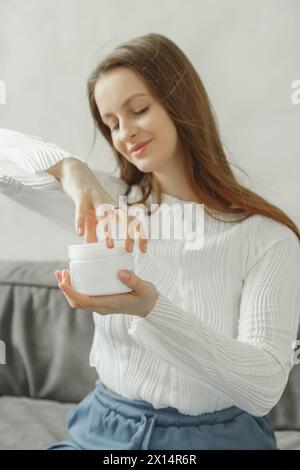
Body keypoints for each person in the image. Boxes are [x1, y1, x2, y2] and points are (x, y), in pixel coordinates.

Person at [0, 33, 300, 450]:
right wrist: (70, 169)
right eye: (111, 124)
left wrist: (152, 310)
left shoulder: (266, 237)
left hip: (217, 439)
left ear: (180, 103)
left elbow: (264, 386)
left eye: (138, 110)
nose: (125, 134)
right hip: (104, 428)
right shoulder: (108, 204)